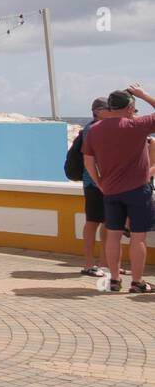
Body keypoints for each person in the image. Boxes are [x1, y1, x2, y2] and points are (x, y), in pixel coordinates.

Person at [83, 86, 155, 293]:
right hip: (138, 190)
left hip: (110, 191)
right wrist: (143, 94)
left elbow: (88, 161)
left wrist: (99, 183)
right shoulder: (136, 126)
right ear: (130, 107)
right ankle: (138, 281)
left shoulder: (95, 130)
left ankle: (114, 280)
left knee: (113, 235)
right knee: (138, 237)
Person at [77, 97, 112, 277]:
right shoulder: (91, 129)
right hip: (93, 183)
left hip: (105, 182)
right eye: (108, 108)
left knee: (108, 222)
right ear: (97, 111)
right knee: (93, 222)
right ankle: (89, 264)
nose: (112, 111)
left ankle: (105, 263)